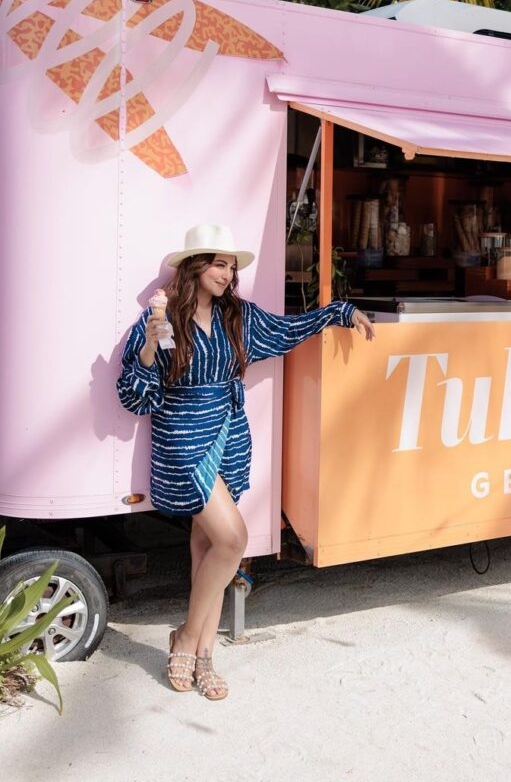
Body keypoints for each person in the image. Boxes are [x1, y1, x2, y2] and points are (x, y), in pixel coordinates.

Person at [116, 223, 375, 700]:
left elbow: (289, 329)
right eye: (219, 263)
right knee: (233, 538)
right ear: (194, 267)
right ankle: (188, 640)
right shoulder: (162, 317)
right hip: (183, 437)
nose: (227, 273)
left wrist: (341, 311)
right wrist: (151, 346)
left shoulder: (240, 317)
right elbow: (136, 399)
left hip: (229, 433)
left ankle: (204, 654)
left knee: (207, 546)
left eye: (231, 266)